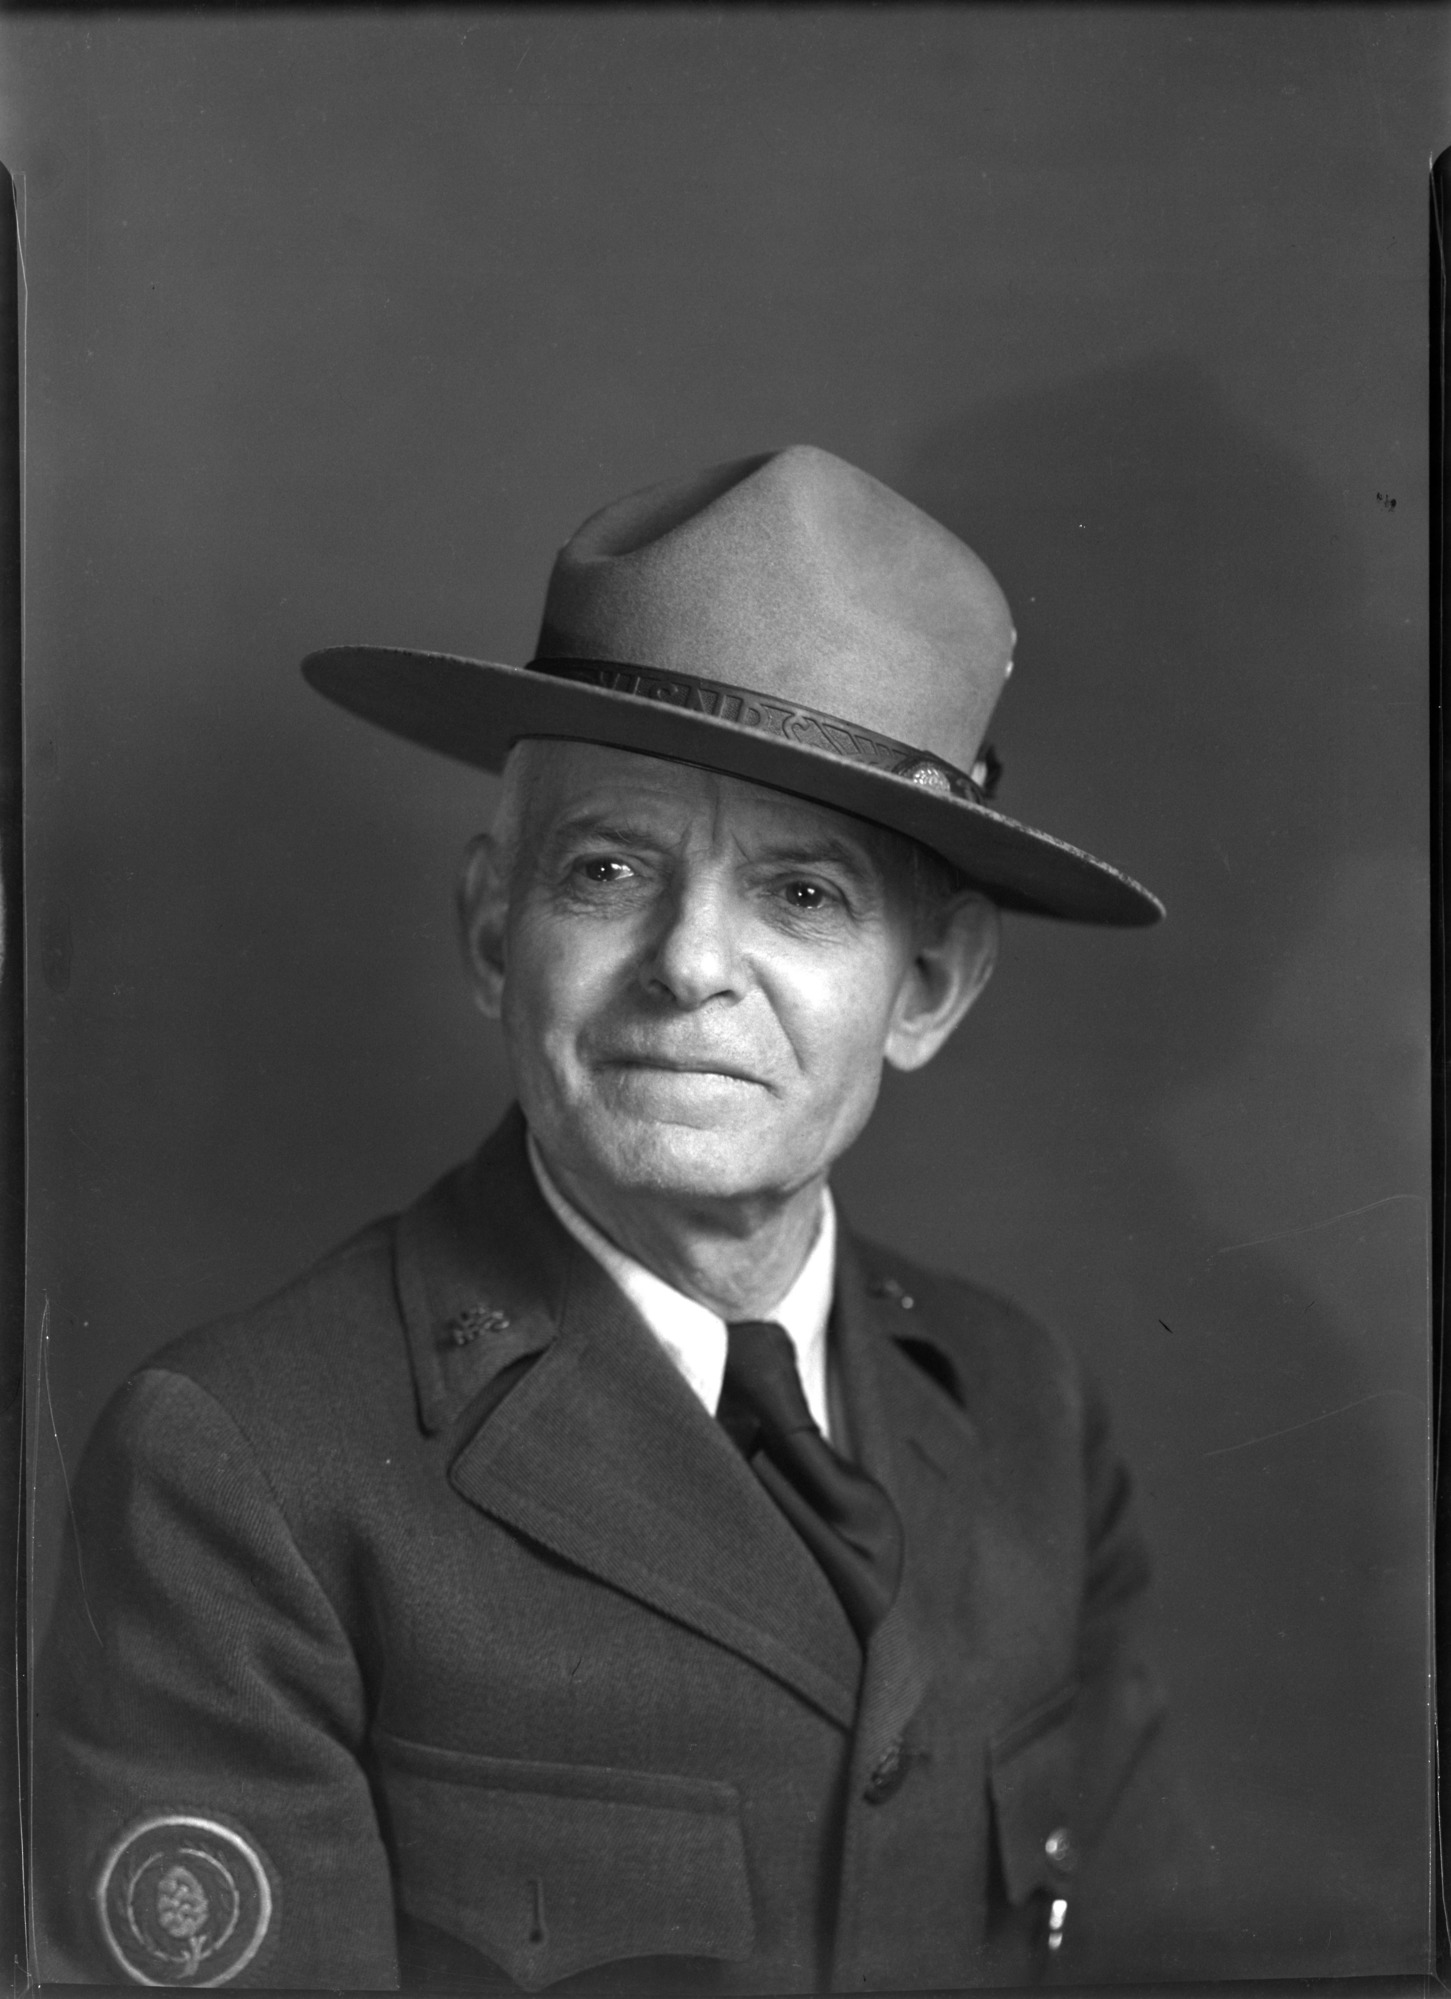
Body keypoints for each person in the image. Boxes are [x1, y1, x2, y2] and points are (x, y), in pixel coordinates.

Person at [35, 447, 1198, 1992]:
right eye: (609, 868)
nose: (689, 965)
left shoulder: (1025, 1404)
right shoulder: (243, 1472)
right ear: (492, 930)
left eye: (802, 896)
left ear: (926, 988)